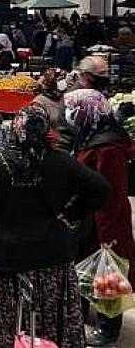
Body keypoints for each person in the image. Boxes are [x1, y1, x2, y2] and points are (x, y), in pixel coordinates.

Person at [0, 105, 111, 348]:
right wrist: (73, 213)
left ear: (14, 129)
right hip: (55, 259)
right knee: (55, 321)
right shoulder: (62, 161)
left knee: (19, 326)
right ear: (46, 131)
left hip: (11, 264)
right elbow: (101, 189)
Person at [64, 89, 135, 346]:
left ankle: (108, 329)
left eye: (74, 108)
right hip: (88, 220)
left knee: (108, 273)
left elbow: (110, 194)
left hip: (106, 224)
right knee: (87, 269)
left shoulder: (108, 149)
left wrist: (107, 238)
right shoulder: (90, 136)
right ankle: (85, 314)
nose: (70, 114)